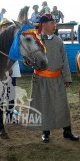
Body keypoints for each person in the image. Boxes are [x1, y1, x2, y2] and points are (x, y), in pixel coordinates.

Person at [27, 14, 79, 142]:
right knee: (44, 106)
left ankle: (67, 131)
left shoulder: (58, 41)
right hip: (41, 80)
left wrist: (67, 78)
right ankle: (46, 132)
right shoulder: (36, 40)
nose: (55, 25)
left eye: (55, 23)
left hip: (57, 79)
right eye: (52, 23)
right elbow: (28, 60)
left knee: (62, 106)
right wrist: (28, 60)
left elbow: (64, 60)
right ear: (43, 25)